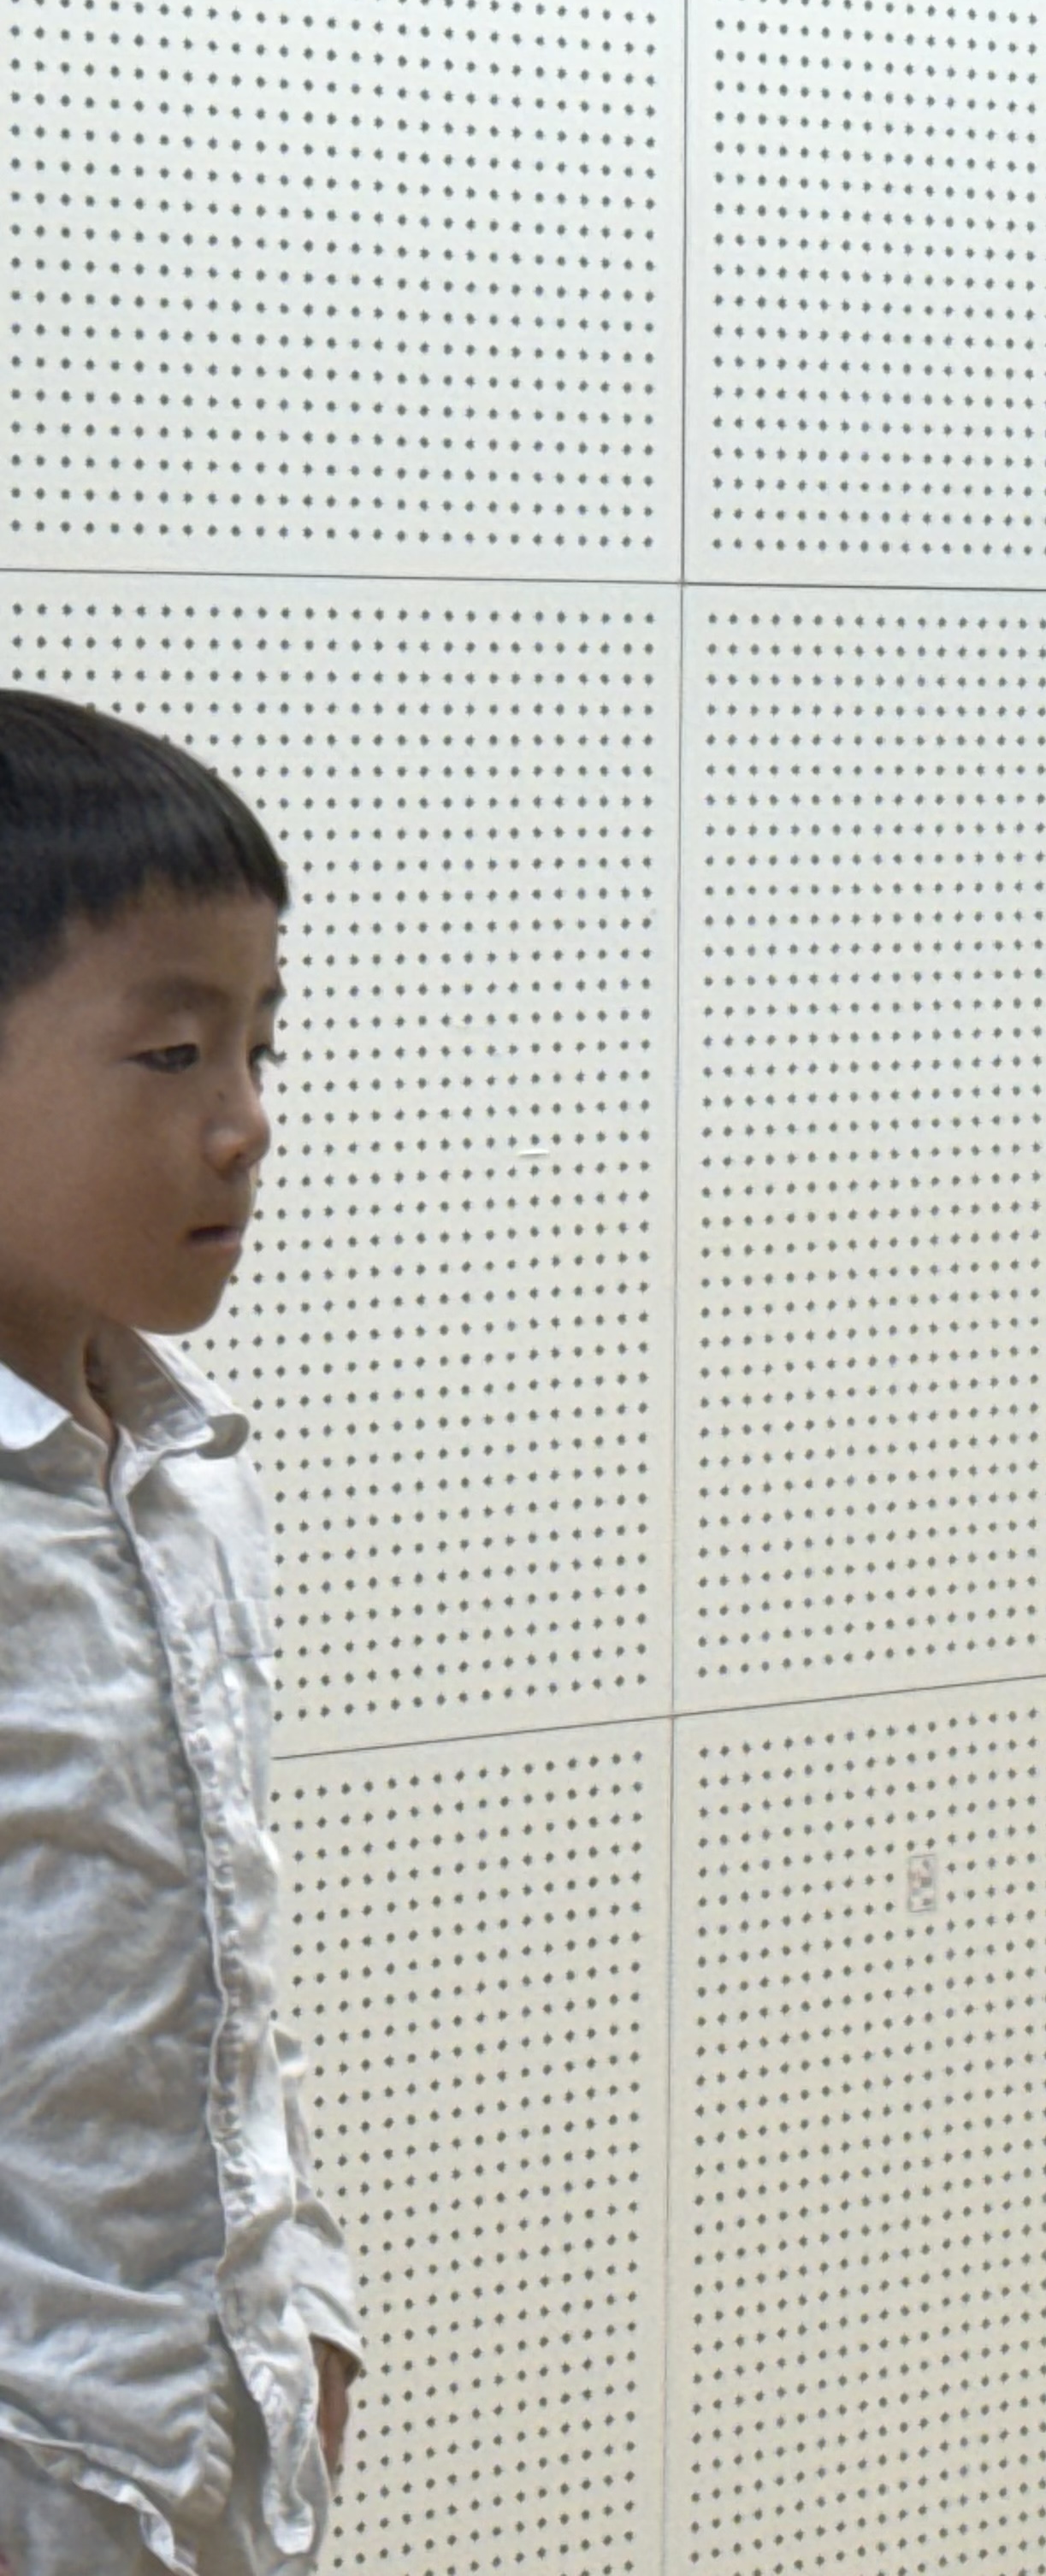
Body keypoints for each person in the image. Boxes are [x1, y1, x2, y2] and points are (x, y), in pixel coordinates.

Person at [0, 694, 361, 2576]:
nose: (246, 1122)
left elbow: (215, 1954)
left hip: (212, 2441)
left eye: (258, 1041)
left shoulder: (192, 1481)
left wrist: (304, 2297)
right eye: (168, 1052)